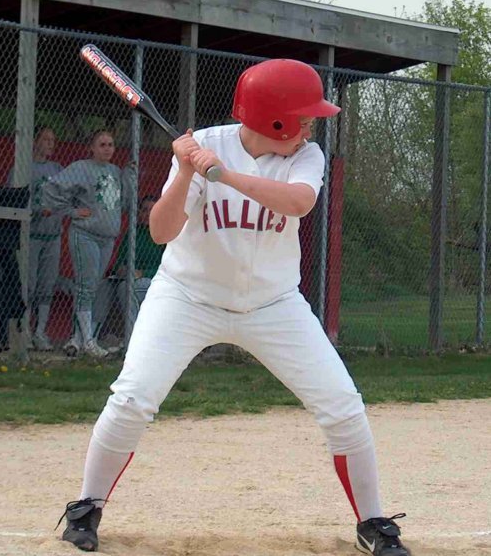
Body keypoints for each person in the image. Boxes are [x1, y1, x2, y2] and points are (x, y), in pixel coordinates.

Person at [57, 60, 410, 556]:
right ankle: (86, 507)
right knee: (132, 398)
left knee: (343, 406)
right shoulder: (205, 145)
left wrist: (223, 175)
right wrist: (185, 172)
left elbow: (297, 203)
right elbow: (161, 232)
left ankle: (372, 522)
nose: (311, 126)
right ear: (274, 120)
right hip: (187, 296)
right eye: (303, 118)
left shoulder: (305, 157)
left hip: (274, 303)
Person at [43, 130, 133, 358]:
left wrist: (129, 175)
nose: (107, 149)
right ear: (91, 148)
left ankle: (76, 338)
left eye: (111, 144)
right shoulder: (81, 167)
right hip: (86, 234)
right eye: (102, 144)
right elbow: (51, 190)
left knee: (92, 286)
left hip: (107, 238)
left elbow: (122, 203)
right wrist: (71, 211)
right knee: (86, 284)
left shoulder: (113, 171)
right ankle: (89, 343)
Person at [6, 127, 64, 351]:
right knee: (27, 284)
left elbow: (65, 195)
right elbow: (16, 198)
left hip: (52, 235)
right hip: (30, 235)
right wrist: (39, 211)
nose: (50, 143)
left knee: (47, 284)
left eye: (53, 140)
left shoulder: (57, 169)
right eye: (46, 139)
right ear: (35, 141)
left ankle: (41, 331)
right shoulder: (22, 168)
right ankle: (25, 331)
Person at [92, 195, 166, 342]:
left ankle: (134, 339)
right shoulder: (132, 233)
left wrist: (142, 273)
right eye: (144, 210)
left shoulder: (164, 233)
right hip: (128, 278)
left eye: (152, 210)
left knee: (126, 288)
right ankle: (91, 335)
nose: (147, 214)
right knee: (104, 286)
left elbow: (167, 267)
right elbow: (120, 260)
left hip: (153, 280)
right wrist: (120, 269)